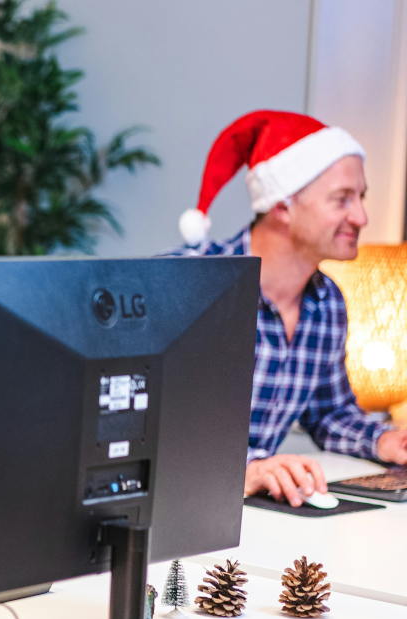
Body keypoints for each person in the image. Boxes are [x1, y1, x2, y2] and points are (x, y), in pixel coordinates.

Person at [170, 110, 407, 507]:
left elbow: (329, 414)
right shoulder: (187, 283)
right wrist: (246, 468)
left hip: (260, 515)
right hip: (179, 510)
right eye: (342, 199)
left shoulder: (328, 302)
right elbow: (144, 423)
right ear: (282, 206)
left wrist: (385, 440)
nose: (361, 217)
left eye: (360, 197)